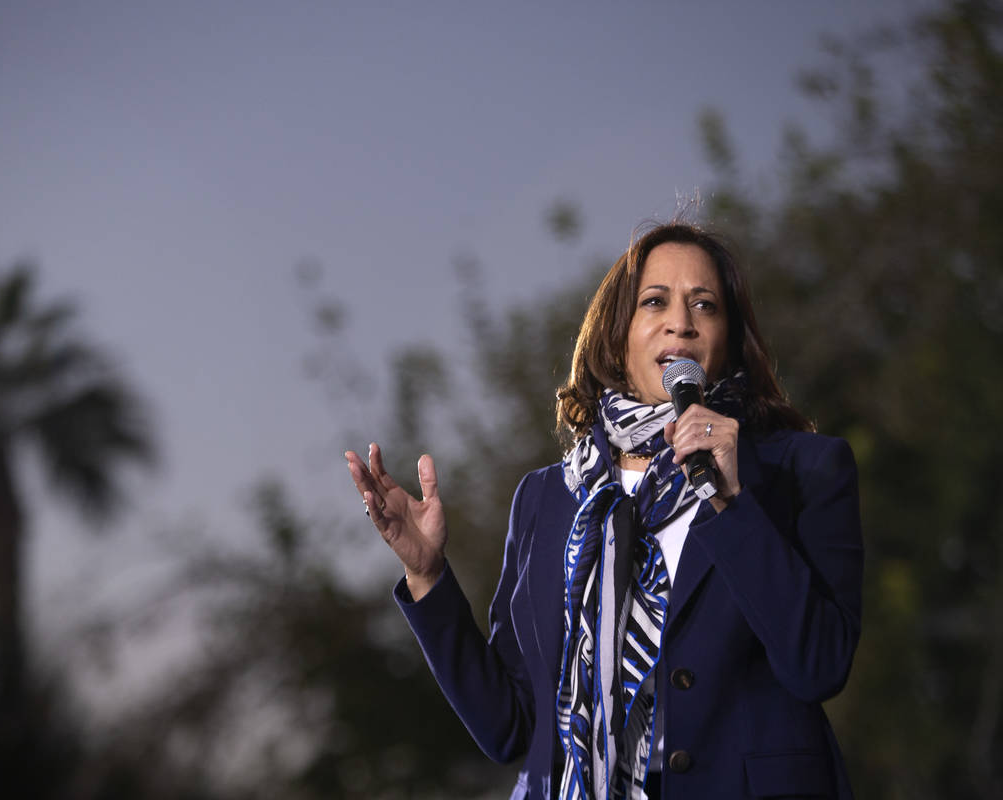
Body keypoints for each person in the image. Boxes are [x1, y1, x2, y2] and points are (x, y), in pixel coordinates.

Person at [345, 222, 862, 800]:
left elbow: (818, 665)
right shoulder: (546, 497)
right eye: (655, 301)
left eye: (705, 304)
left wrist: (731, 499)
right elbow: (508, 727)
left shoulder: (803, 470)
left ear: (729, 336)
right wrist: (427, 575)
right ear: (618, 338)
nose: (682, 321)